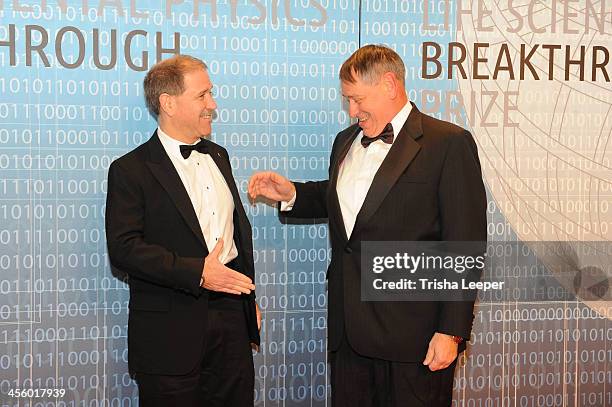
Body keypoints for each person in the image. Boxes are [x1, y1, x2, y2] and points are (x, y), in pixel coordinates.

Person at [248, 45, 487, 406]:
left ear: (390, 84)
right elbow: (353, 205)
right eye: (347, 100)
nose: (351, 111)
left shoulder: (448, 143)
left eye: (357, 99)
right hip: (349, 334)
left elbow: (464, 243)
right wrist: (293, 193)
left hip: (415, 337)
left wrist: (450, 332)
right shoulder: (345, 141)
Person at [105, 55, 260, 407]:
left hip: (232, 321)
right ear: (168, 103)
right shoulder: (131, 170)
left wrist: (248, 298)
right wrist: (198, 273)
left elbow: (235, 234)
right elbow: (125, 249)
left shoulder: (220, 155)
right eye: (203, 95)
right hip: (169, 333)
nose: (213, 104)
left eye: (211, 94)